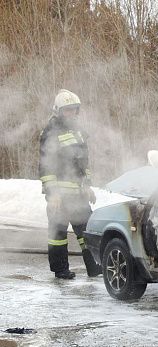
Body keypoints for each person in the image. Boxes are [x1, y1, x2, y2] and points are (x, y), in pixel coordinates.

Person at [39, 89, 101, 279]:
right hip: (60, 195)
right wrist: (53, 194)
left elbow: (83, 164)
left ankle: (95, 268)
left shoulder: (78, 132)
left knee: (87, 233)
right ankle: (60, 270)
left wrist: (87, 185)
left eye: (74, 109)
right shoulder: (50, 132)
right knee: (57, 235)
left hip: (78, 194)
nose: (71, 113)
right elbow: (46, 166)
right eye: (67, 110)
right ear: (58, 111)